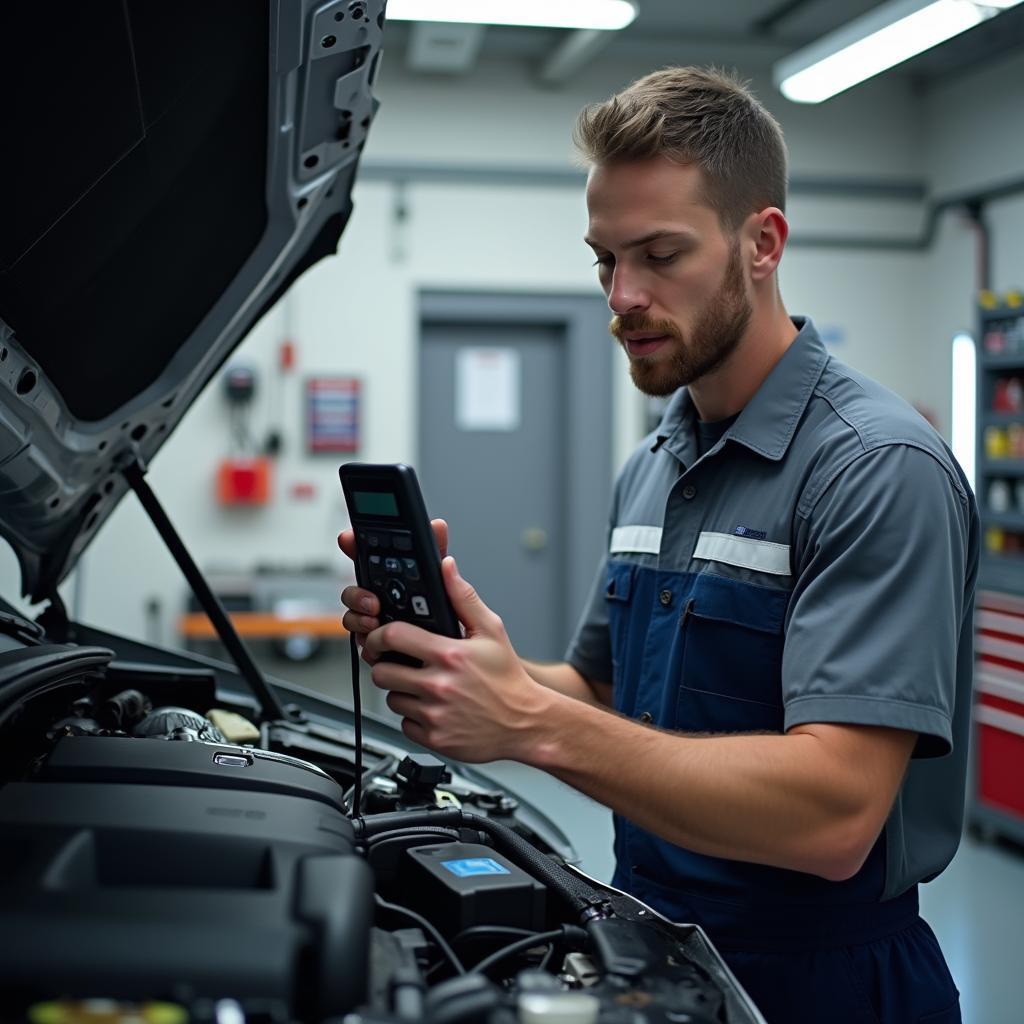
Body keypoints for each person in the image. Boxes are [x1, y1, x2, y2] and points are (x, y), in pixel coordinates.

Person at [339, 67, 978, 1024]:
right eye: (604, 260)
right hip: (650, 943)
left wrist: (525, 723)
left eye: (660, 255)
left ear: (761, 245)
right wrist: (479, 669)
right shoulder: (656, 462)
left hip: (824, 980)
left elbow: (837, 814)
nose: (623, 297)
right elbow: (605, 695)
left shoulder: (875, 467)